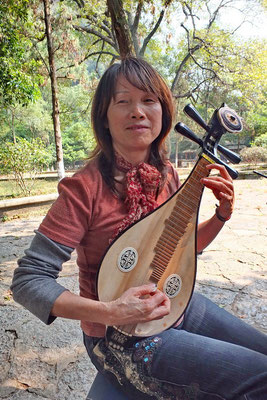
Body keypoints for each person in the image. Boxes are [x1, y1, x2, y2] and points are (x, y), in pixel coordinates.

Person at [11, 57, 267, 400]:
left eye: (149, 100)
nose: (137, 111)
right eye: (123, 101)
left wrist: (221, 215)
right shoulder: (84, 188)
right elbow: (28, 280)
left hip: (175, 303)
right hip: (119, 338)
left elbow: (182, 251)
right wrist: (112, 311)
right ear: (105, 115)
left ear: (164, 112)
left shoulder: (168, 173)